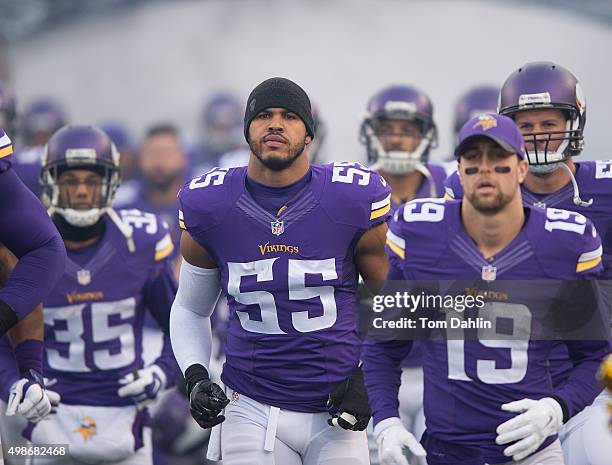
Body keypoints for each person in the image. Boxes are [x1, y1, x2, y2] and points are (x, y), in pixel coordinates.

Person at [363, 113, 610, 465]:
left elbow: (593, 356)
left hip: (532, 450)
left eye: (498, 159)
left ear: (521, 168)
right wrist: (387, 422)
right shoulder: (421, 235)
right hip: (446, 450)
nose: (485, 170)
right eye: (473, 160)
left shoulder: (564, 243)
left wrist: (558, 406)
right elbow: (383, 347)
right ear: (459, 170)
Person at [171, 77, 390, 465]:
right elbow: (191, 307)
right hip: (249, 404)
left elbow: (395, 299)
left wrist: (369, 375)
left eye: (289, 116)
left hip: (335, 410)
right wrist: (196, 375)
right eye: (263, 116)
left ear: (309, 134)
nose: (275, 124)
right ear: (247, 130)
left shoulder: (350, 199)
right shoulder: (212, 205)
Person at [444, 62, 612, 465]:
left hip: (591, 382)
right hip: (501, 381)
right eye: (527, 126)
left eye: (548, 122)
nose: (537, 135)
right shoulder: (471, 189)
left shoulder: (605, 188)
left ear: (575, 121)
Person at [0, 125, 179, 465]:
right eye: (70, 181)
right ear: (51, 183)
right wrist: (14, 383)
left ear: (110, 182)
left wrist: (161, 373)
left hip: (125, 429)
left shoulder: (140, 241)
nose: (81, 191)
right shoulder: (25, 246)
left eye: (91, 181)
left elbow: (182, 324)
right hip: (48, 424)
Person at [360, 83, 446, 465]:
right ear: (372, 133)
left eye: (407, 129)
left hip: (440, 361)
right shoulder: (352, 190)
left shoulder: (454, 187)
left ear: (425, 135)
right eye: (388, 129)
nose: (396, 139)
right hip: (370, 357)